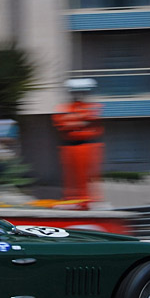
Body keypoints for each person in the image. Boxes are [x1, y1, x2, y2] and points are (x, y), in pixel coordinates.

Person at [53, 78, 104, 209]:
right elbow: (60, 122)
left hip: (88, 145)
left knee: (88, 176)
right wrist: (81, 120)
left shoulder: (91, 107)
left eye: (82, 92)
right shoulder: (64, 108)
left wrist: (73, 120)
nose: (79, 95)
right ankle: (72, 200)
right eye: (76, 92)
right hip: (69, 146)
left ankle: (87, 201)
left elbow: (92, 118)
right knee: (70, 176)